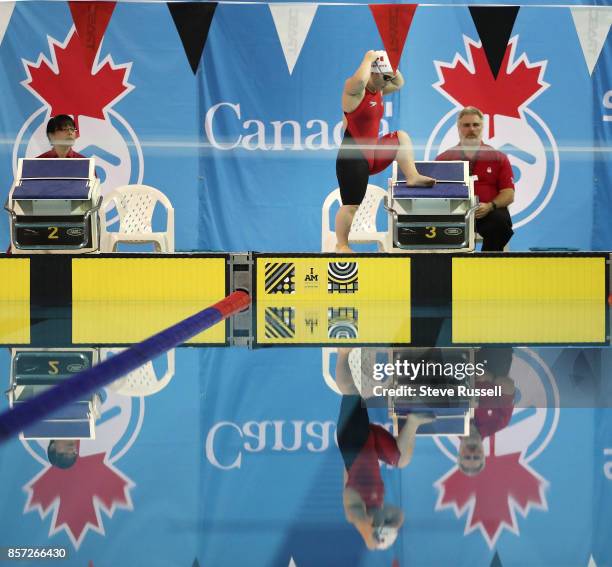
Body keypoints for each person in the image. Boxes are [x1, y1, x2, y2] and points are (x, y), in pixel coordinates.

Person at [335, 51, 435, 253]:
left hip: (372, 155)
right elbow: (359, 80)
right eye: (384, 77)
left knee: (400, 137)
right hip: (353, 158)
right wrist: (369, 58)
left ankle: (412, 176)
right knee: (351, 205)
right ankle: (342, 244)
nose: (387, 81)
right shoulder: (354, 93)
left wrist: (389, 65)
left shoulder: (378, 90)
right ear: (372, 72)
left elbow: (399, 83)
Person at [336, 348, 432, 549]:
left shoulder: (355, 511)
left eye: (383, 523)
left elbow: (357, 519)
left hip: (355, 442)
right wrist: (391, 526)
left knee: (351, 391)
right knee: (402, 460)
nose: (386, 518)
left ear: (373, 526)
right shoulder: (378, 505)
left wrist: (369, 536)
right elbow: (399, 515)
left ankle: (342, 353)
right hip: (372, 446)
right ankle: (413, 421)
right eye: (387, 522)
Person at [436, 106, 515, 251]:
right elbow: (435, 192)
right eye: (466, 125)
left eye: (475, 125)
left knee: (500, 223)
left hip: (487, 212)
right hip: (455, 213)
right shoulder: (444, 159)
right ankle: (452, 267)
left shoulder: (498, 158)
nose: (471, 129)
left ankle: (487, 264)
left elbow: (508, 193)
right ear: (458, 128)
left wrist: (490, 206)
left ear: (482, 127)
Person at [458, 348, 515, 476]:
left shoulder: (446, 421)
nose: (472, 453)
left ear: (460, 453)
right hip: (494, 348)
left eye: (467, 457)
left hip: (457, 350)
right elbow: (510, 387)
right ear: (483, 453)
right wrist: (490, 377)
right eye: (476, 457)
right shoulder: (499, 423)